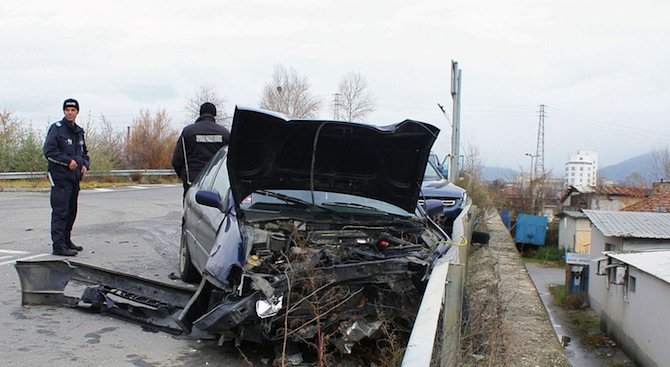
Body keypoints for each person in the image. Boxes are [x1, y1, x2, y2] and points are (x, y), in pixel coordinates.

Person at [43, 98, 90, 256]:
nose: (70, 112)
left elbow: (84, 153)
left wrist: (84, 164)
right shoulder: (56, 129)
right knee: (60, 211)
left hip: (74, 178)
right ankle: (58, 245)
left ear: (77, 112)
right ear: (64, 111)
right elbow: (49, 152)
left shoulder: (79, 131)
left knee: (71, 211)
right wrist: (67, 161)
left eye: (73, 110)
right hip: (60, 177)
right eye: (67, 110)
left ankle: (66, 240)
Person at [172, 102, 230, 197]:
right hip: (216, 181)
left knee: (191, 208)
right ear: (215, 114)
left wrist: (184, 176)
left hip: (192, 179)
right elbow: (231, 159)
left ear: (200, 113)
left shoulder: (187, 132)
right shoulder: (224, 133)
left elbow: (176, 160)